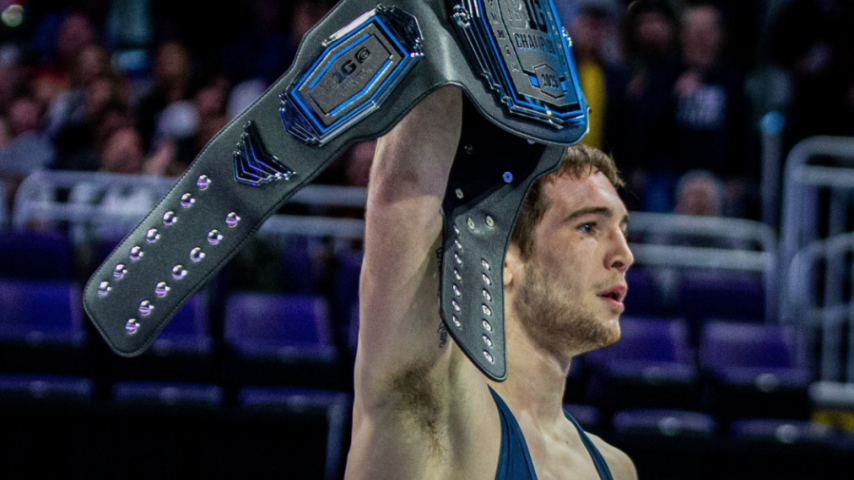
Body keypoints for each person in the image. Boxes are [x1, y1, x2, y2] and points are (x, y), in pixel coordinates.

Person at [344, 87, 637, 479]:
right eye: (588, 227)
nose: (624, 255)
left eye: (622, 229)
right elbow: (405, 189)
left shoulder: (616, 468)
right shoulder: (435, 415)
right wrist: (438, 65)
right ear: (505, 257)